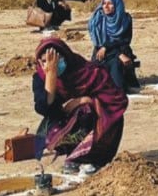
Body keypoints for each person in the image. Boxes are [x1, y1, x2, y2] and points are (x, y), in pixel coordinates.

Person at [33, 37, 128, 174]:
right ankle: (71, 155)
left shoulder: (87, 71)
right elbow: (45, 108)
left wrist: (81, 100)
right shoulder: (40, 78)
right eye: (45, 62)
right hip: (64, 121)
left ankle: (89, 159)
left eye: (56, 60)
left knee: (85, 111)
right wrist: (51, 75)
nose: (50, 64)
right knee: (54, 127)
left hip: (98, 120)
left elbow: (115, 99)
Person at [87, 0, 139, 93]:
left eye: (110, 3)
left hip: (121, 50)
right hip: (101, 53)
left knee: (116, 70)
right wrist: (114, 52)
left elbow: (125, 41)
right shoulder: (98, 19)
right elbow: (98, 45)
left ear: (116, 5)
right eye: (104, 3)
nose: (106, 6)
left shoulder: (125, 19)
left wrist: (107, 47)